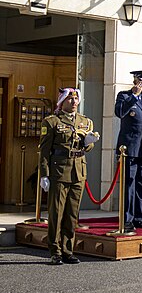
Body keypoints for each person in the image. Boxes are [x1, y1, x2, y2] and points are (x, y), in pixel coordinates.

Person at [39, 88, 99, 265]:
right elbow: (44, 152)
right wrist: (44, 175)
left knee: (72, 214)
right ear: (62, 101)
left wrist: (88, 144)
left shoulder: (85, 122)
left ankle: (67, 250)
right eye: (70, 99)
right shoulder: (51, 122)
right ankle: (54, 251)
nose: (74, 102)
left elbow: (86, 146)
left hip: (78, 171)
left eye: (76, 100)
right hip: (59, 171)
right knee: (56, 213)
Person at [114, 70, 142, 232]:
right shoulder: (124, 96)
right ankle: (127, 219)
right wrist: (134, 95)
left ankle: (139, 218)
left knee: (140, 184)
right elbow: (119, 113)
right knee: (129, 185)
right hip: (129, 149)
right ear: (135, 82)